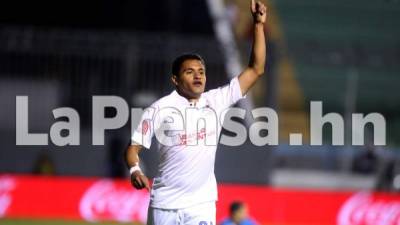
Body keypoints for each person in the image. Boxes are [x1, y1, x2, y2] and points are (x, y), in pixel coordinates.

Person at [124, 1, 267, 224]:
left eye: (201, 71)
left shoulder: (216, 100)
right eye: (190, 72)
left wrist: (258, 25)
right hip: (165, 204)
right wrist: (134, 170)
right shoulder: (160, 109)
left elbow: (256, 69)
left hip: (202, 204)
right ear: (175, 79)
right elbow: (133, 148)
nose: (198, 76)